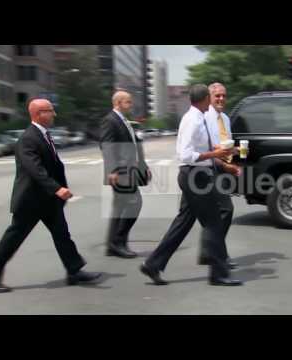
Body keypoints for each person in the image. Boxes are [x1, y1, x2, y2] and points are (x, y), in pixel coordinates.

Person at [0, 99, 102, 293]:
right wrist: (57, 188)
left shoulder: (43, 135)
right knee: (13, 238)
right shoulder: (28, 138)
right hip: (31, 201)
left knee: (62, 235)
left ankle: (74, 271)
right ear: (37, 113)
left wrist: (56, 191)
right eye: (50, 111)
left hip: (48, 201)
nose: (54, 114)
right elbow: (35, 169)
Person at [140, 84, 243, 286]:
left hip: (197, 174)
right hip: (195, 176)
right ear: (205, 99)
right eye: (211, 97)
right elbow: (185, 155)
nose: (214, 101)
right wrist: (214, 154)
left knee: (183, 222)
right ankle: (219, 274)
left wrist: (223, 151)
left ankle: (153, 264)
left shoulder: (198, 118)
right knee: (214, 223)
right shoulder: (193, 120)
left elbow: (201, 146)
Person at [100, 91, 151, 259]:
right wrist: (112, 170)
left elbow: (135, 146)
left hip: (130, 171)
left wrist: (144, 166)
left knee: (119, 208)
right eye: (128, 102)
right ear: (117, 103)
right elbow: (106, 146)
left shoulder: (125, 121)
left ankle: (112, 245)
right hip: (121, 172)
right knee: (135, 204)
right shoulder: (111, 120)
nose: (131, 104)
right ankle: (118, 242)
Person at [198, 82, 241, 269]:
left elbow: (224, 145)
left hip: (222, 167)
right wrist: (224, 164)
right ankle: (217, 254)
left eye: (224, 95)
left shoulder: (225, 118)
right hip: (207, 168)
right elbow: (207, 149)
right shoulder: (204, 118)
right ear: (210, 97)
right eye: (217, 96)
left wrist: (236, 153)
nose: (221, 99)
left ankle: (207, 253)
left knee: (209, 214)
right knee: (226, 210)